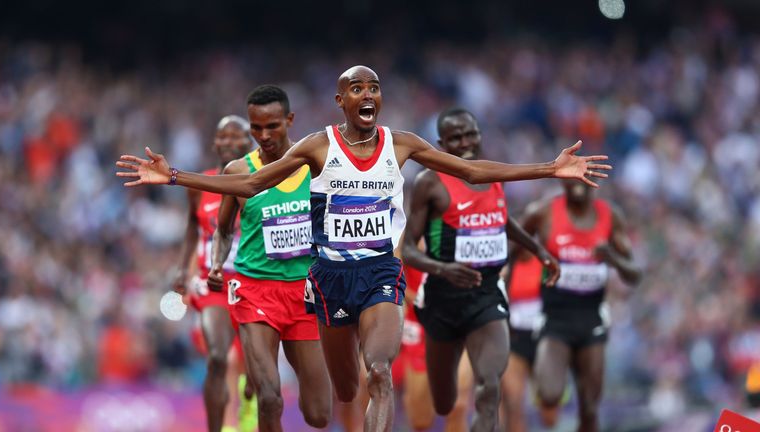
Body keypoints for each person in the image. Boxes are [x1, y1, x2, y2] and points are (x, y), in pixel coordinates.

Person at [115, 65, 611, 432]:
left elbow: (473, 170)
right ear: (341, 101)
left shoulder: (401, 143)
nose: (368, 94)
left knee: (379, 373)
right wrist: (174, 176)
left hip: (380, 272)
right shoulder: (317, 146)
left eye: (374, 88)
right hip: (329, 278)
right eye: (357, 89)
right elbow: (251, 184)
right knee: (341, 392)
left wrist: (548, 169)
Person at [401, 107, 560, 431]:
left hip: (486, 297)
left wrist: (537, 249)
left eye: (470, 134)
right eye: (455, 138)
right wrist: (443, 270)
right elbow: (406, 250)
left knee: (489, 388)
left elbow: (501, 219)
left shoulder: (493, 174)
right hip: (443, 301)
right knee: (443, 402)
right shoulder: (429, 183)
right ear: (441, 143)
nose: (465, 142)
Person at [207, 85, 331, 431]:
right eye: (256, 128)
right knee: (270, 398)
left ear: (289, 120)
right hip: (254, 290)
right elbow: (223, 230)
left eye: (272, 126)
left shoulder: (315, 167)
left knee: (319, 414)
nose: (263, 135)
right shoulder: (236, 172)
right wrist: (218, 263)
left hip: (304, 293)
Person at [524, 179, 641, 432]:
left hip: (591, 319)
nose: (578, 186)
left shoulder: (610, 216)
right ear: (562, 182)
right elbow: (514, 244)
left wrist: (612, 258)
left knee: (589, 407)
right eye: (572, 180)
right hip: (555, 317)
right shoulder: (543, 212)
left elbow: (634, 274)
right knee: (549, 395)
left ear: (595, 183)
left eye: (584, 180)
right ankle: (560, 369)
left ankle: (575, 372)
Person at [171, 115, 255, 432]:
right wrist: (182, 270)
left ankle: (250, 399)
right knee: (220, 358)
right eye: (224, 137)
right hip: (214, 283)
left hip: (253, 282)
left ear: (251, 143)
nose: (230, 143)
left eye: (238, 137)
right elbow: (193, 229)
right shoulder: (201, 185)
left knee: (253, 365)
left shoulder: (263, 182)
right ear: (214, 143)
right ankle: (221, 427)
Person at [400, 262, 473, 432]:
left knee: (458, 405)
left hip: (455, 322)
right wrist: (415, 299)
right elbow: (391, 270)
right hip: (419, 325)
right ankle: (410, 400)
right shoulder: (406, 237)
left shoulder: (462, 234)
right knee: (421, 421)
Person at [499, 250, 560, 432]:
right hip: (515, 341)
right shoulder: (507, 264)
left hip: (544, 342)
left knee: (550, 415)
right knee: (514, 403)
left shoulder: (546, 263)